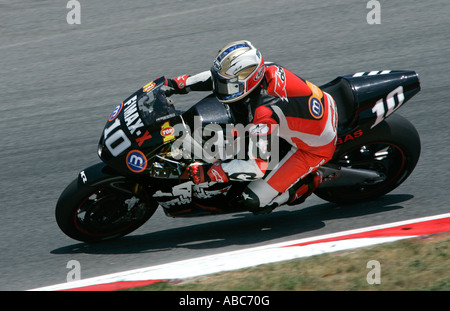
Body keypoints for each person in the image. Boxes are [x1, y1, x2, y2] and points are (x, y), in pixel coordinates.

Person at [164, 40, 338, 214]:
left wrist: (210, 172)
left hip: (313, 148)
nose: (219, 88)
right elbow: (219, 78)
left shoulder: (264, 114)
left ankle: (314, 179)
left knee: (255, 200)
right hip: (316, 109)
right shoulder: (262, 69)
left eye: (225, 85)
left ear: (247, 83)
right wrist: (179, 84)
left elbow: (256, 167)